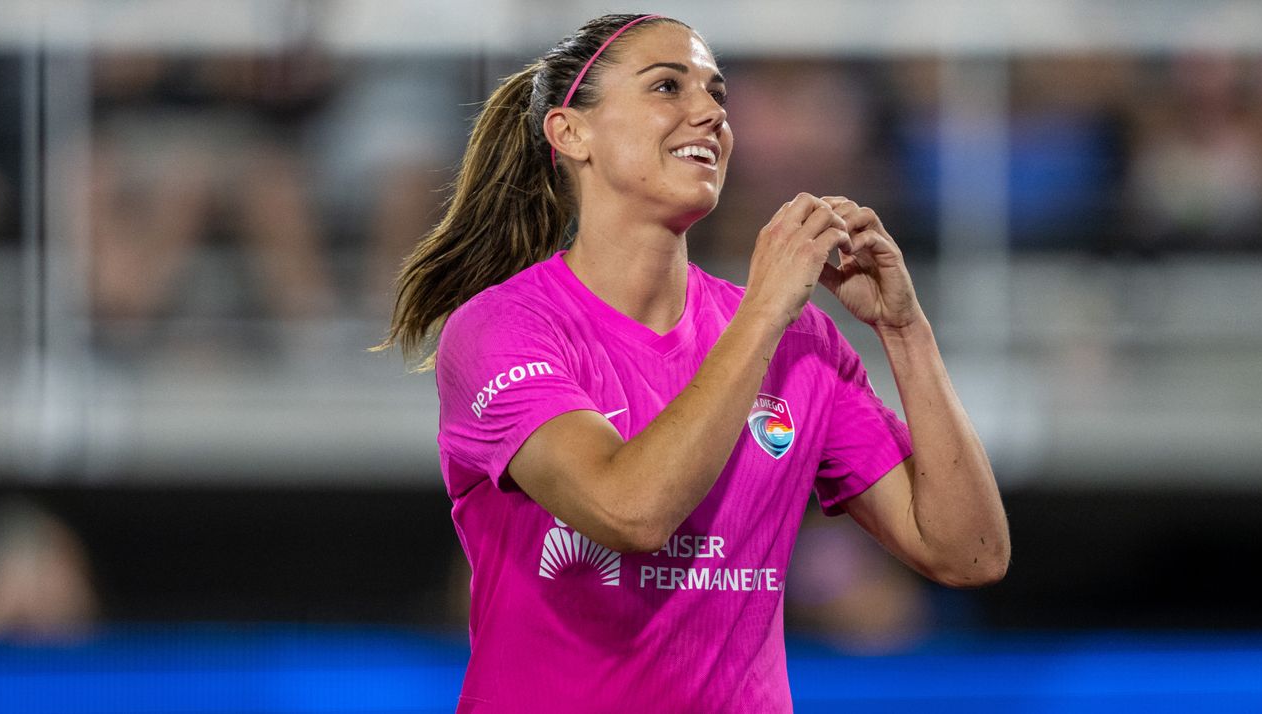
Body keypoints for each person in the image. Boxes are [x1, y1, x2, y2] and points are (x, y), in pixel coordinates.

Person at [378, 14, 1009, 713]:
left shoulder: (800, 342)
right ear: (571, 133)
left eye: (717, 93)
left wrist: (905, 330)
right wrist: (764, 311)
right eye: (667, 86)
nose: (708, 112)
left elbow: (969, 552)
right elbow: (629, 510)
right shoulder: (504, 329)